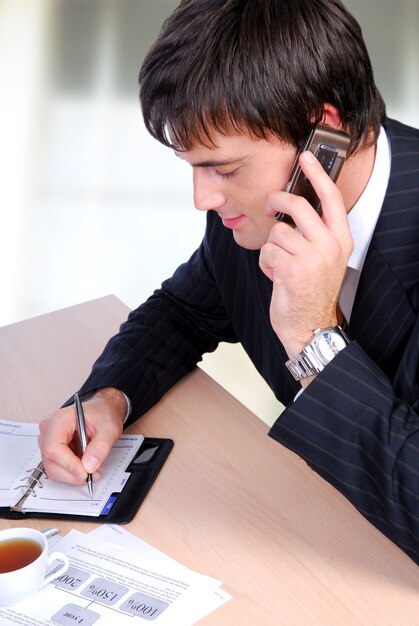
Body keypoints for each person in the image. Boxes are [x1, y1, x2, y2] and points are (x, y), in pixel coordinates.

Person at [39, 0, 419, 564]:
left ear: (325, 137)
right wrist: (108, 396)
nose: (204, 199)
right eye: (194, 166)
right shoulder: (257, 213)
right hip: (301, 530)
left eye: (224, 168)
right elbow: (182, 311)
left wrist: (315, 339)